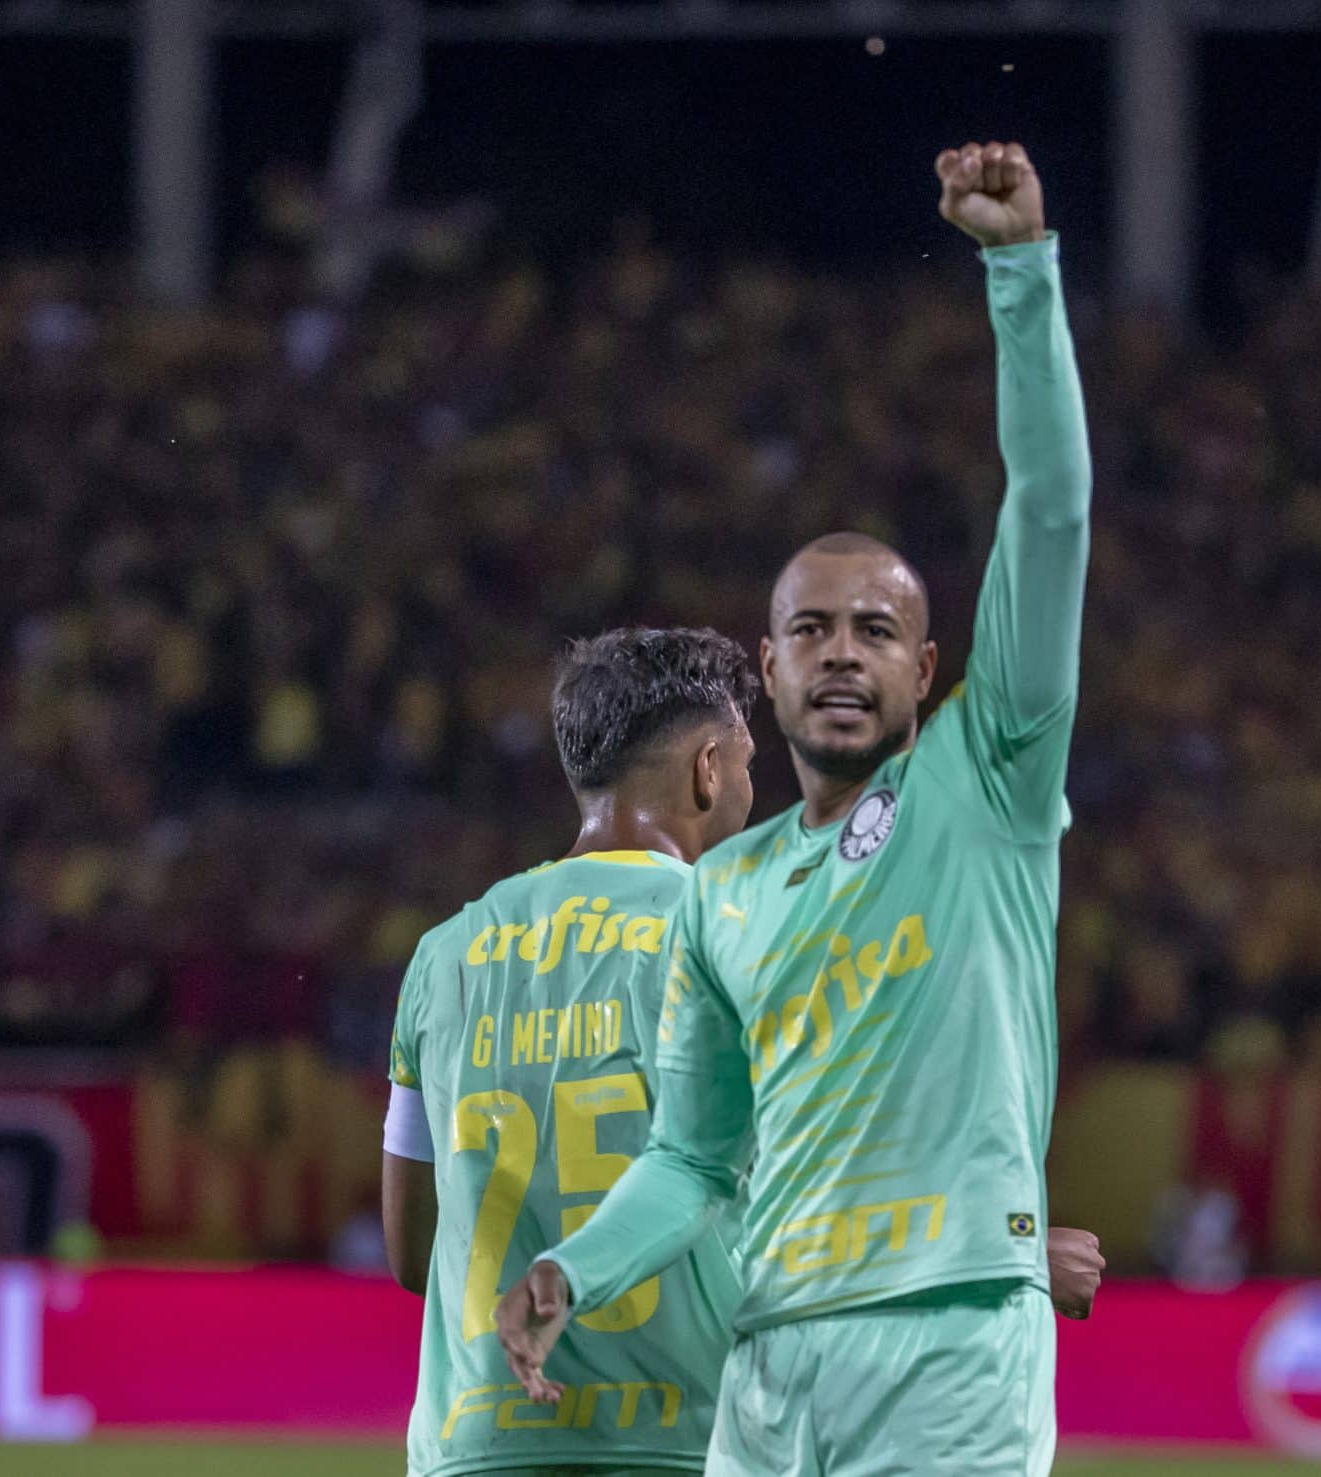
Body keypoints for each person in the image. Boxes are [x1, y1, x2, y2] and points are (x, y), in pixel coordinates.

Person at [497, 140, 1094, 1475]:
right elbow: (695, 1162)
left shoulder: (987, 779)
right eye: (810, 630)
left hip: (949, 1354)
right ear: (762, 672)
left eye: (876, 631)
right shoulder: (723, 891)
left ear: (926, 671)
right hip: (769, 1368)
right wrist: (570, 1271)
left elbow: (1052, 512)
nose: (841, 652)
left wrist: (1019, 272)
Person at [383, 626, 1103, 1477]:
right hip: (693, 1437)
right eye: (748, 761)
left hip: (473, 1443)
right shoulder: (747, 936)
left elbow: (409, 1248)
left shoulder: (445, 953)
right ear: (707, 768)